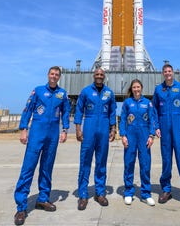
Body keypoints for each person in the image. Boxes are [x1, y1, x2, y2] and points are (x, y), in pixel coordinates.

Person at [14, 66, 71, 225]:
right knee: (28, 168)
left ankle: (43, 199)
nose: (54, 76)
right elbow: (28, 109)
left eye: (57, 74)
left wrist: (65, 129)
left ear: (59, 77)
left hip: (52, 134)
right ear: (48, 75)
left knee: (47, 167)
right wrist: (24, 129)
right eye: (52, 74)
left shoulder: (62, 94)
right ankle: (21, 207)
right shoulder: (38, 91)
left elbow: (65, 112)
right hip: (37, 133)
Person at [152, 63, 180, 209]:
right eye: (165, 71)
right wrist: (156, 127)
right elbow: (155, 111)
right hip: (164, 128)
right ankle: (166, 190)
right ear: (162, 73)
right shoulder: (159, 90)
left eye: (169, 71)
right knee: (166, 160)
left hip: (178, 128)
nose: (167, 73)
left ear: (173, 73)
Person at [74, 68, 117, 210]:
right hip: (89, 127)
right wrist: (78, 129)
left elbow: (112, 112)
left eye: (101, 75)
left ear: (104, 77)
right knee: (85, 161)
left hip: (104, 128)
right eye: (97, 74)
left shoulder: (109, 93)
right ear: (94, 76)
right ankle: (83, 195)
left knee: (101, 162)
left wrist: (113, 129)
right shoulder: (86, 91)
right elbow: (79, 110)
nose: (99, 76)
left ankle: (100, 193)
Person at [119, 79, 155, 206]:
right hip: (130, 136)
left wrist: (151, 135)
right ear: (131, 89)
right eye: (134, 87)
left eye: (138, 87)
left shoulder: (148, 103)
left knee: (145, 164)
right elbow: (122, 119)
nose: (136, 89)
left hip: (144, 136)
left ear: (141, 88)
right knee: (129, 163)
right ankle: (128, 192)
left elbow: (152, 120)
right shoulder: (127, 103)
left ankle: (146, 193)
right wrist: (123, 135)